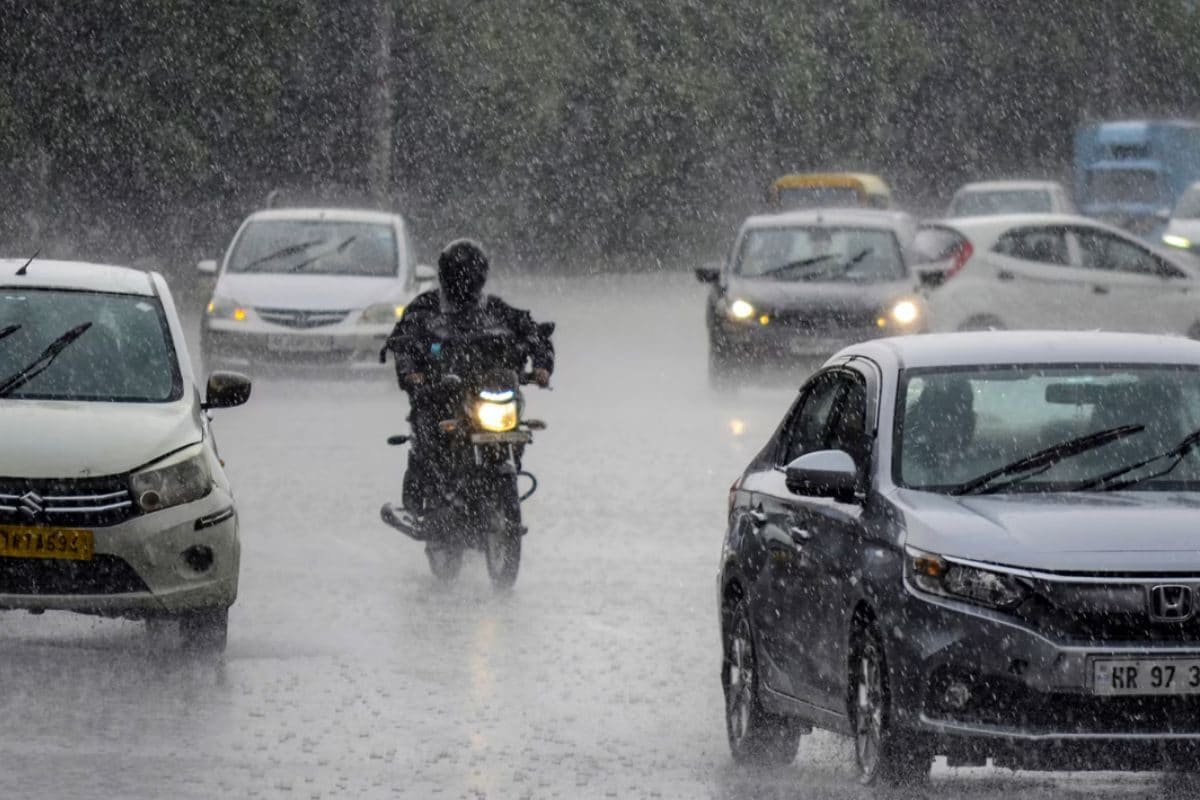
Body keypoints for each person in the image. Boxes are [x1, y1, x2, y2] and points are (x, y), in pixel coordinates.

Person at [384, 239, 554, 513]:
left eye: (472, 273)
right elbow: (403, 342)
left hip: (486, 394)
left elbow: (533, 333)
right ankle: (428, 496)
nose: (465, 280)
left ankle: (497, 494)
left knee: (513, 425)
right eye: (459, 272)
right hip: (442, 394)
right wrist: (413, 374)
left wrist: (541, 367)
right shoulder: (425, 309)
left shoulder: (497, 309)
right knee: (429, 425)